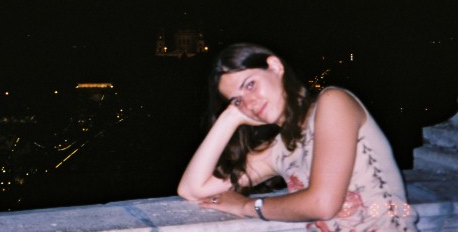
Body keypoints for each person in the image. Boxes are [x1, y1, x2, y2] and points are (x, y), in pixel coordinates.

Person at [178, 43, 418, 231]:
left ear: (275, 66)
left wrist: (247, 206)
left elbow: (323, 204)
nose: (249, 103)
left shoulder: (333, 102)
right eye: (238, 100)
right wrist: (229, 118)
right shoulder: (278, 149)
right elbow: (192, 189)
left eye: (250, 85)